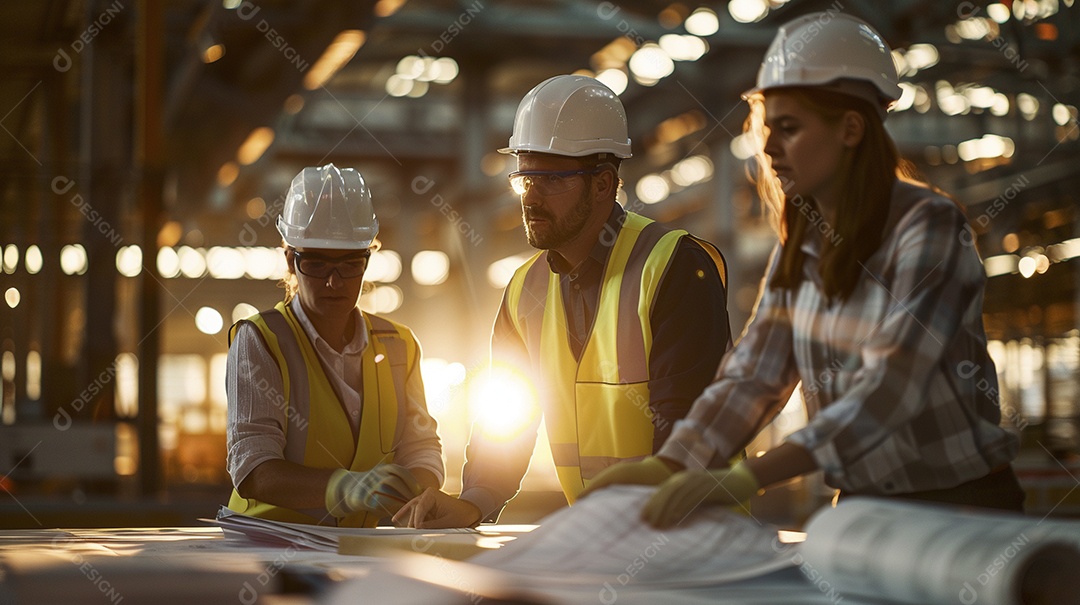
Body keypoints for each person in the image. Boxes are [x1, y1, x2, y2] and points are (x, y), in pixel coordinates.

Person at [583, 12, 1023, 526]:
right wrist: (673, 462)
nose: (768, 149)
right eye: (767, 130)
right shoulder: (805, 244)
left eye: (789, 129)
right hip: (864, 508)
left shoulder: (928, 228)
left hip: (961, 509)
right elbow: (755, 374)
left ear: (851, 129)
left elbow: (892, 386)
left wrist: (756, 475)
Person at [395, 75, 733, 529]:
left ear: (603, 184)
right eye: (523, 179)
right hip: (606, 543)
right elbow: (506, 424)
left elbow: (687, 436)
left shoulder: (674, 267)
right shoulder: (523, 292)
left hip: (698, 541)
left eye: (550, 180)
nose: (530, 197)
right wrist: (472, 501)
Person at [225, 164, 444, 527]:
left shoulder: (399, 347)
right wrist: (347, 489)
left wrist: (418, 487)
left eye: (349, 264)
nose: (332, 282)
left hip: (360, 548)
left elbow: (421, 448)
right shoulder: (261, 341)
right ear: (290, 261)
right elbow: (253, 468)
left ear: (367, 259)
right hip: (270, 547)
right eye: (315, 263)